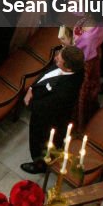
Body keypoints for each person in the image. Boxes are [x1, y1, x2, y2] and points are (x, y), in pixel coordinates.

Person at [20, 45, 85, 174]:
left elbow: (45, 108)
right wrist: (32, 88)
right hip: (43, 104)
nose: (55, 59)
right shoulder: (66, 66)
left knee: (41, 142)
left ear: (68, 67)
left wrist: (29, 103)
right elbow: (47, 74)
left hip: (47, 120)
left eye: (59, 59)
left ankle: (39, 164)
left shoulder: (65, 90)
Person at [61, 16, 103, 130]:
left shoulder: (88, 37)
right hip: (90, 53)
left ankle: (78, 120)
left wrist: (68, 44)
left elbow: (80, 55)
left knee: (80, 92)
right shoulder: (98, 20)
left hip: (84, 62)